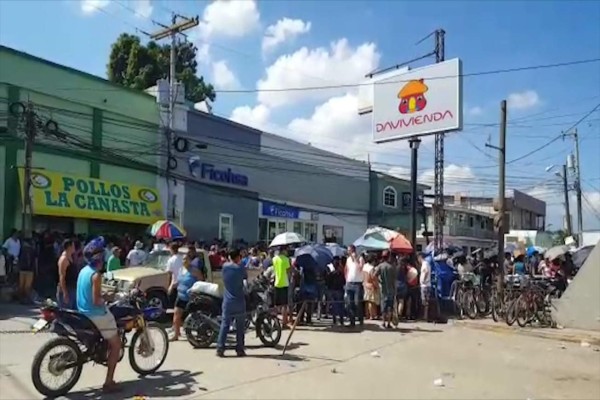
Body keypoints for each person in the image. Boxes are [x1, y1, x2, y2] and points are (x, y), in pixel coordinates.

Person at [76, 237, 121, 393]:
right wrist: (107, 297)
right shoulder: (96, 275)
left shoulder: (84, 271)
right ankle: (109, 382)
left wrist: (102, 295)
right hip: (96, 313)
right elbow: (96, 301)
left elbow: (90, 294)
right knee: (116, 345)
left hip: (83, 312)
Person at [217, 248, 248, 357]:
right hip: (239, 300)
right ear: (238, 257)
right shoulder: (241, 268)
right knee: (240, 327)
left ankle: (220, 348)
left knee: (225, 325)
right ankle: (240, 349)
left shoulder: (225, 267)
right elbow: (245, 278)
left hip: (228, 301)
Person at [170, 253, 203, 341]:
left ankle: (198, 333)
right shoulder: (181, 269)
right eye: (183, 259)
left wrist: (196, 291)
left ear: (190, 261)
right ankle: (176, 334)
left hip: (190, 297)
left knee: (192, 318)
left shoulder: (195, 271)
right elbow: (178, 280)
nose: (184, 261)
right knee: (176, 315)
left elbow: (201, 283)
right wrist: (173, 286)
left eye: (186, 259)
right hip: (180, 295)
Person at [376, 251, 397, 329]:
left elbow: (374, 275)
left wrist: (379, 281)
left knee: (383, 307)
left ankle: (383, 323)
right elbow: (395, 280)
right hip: (391, 289)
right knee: (390, 307)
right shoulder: (392, 267)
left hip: (383, 290)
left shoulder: (380, 266)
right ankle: (388, 323)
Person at [344, 245, 364, 327]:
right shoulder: (348, 260)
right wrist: (346, 280)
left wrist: (356, 259)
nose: (349, 252)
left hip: (357, 284)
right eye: (348, 251)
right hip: (349, 283)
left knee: (357, 303)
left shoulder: (360, 258)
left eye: (350, 250)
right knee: (349, 303)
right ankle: (352, 321)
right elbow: (346, 270)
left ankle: (360, 318)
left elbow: (360, 268)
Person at [273, 246, 292, 327]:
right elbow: (288, 271)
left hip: (277, 282)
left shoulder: (274, 259)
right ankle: (284, 322)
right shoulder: (286, 259)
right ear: (283, 250)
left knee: (276, 304)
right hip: (284, 283)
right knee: (284, 304)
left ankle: (275, 321)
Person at [57, 239, 77, 309]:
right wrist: (65, 293)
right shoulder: (64, 259)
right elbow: (62, 276)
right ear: (69, 247)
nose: (74, 247)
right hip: (67, 289)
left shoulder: (71, 257)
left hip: (73, 288)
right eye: (73, 245)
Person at [326, 257, 346, 325]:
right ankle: (341, 320)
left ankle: (334, 320)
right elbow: (344, 282)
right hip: (339, 290)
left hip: (332, 290)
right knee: (340, 305)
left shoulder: (331, 274)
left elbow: (327, 282)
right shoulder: (341, 274)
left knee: (334, 306)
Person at [17, 238, 37, 303]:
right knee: (27, 286)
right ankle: (27, 299)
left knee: (21, 285)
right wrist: (36, 270)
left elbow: (19, 259)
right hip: (30, 270)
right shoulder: (32, 250)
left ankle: (21, 299)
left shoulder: (22, 249)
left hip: (22, 269)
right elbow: (35, 261)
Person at [362, 254, 380, 320]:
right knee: (371, 301)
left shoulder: (364, 266)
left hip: (365, 284)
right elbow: (373, 277)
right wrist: (376, 285)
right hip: (370, 285)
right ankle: (372, 315)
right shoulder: (371, 268)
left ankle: (367, 314)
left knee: (366, 301)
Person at [419, 253, 432, 322]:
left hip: (425, 285)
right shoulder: (427, 264)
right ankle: (425, 316)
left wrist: (423, 280)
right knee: (426, 301)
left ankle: (425, 316)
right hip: (427, 284)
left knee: (424, 301)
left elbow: (426, 271)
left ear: (420, 257)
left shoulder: (424, 264)